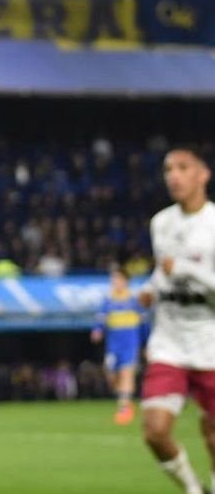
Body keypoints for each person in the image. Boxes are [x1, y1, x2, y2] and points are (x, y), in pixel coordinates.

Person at [139, 148, 215, 494]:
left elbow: (179, 269)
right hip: (169, 341)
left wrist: (184, 270)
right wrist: (151, 289)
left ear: (203, 175)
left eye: (183, 168)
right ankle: (191, 488)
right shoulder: (161, 222)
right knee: (155, 430)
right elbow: (162, 271)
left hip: (211, 341)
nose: (173, 176)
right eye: (168, 168)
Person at [91, 266, 143, 425]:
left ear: (126, 281)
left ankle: (124, 408)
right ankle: (125, 399)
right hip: (113, 345)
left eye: (118, 279)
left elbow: (144, 323)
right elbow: (101, 319)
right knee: (111, 376)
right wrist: (97, 331)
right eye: (113, 279)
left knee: (127, 373)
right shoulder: (108, 300)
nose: (115, 282)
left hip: (130, 343)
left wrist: (146, 343)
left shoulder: (134, 300)